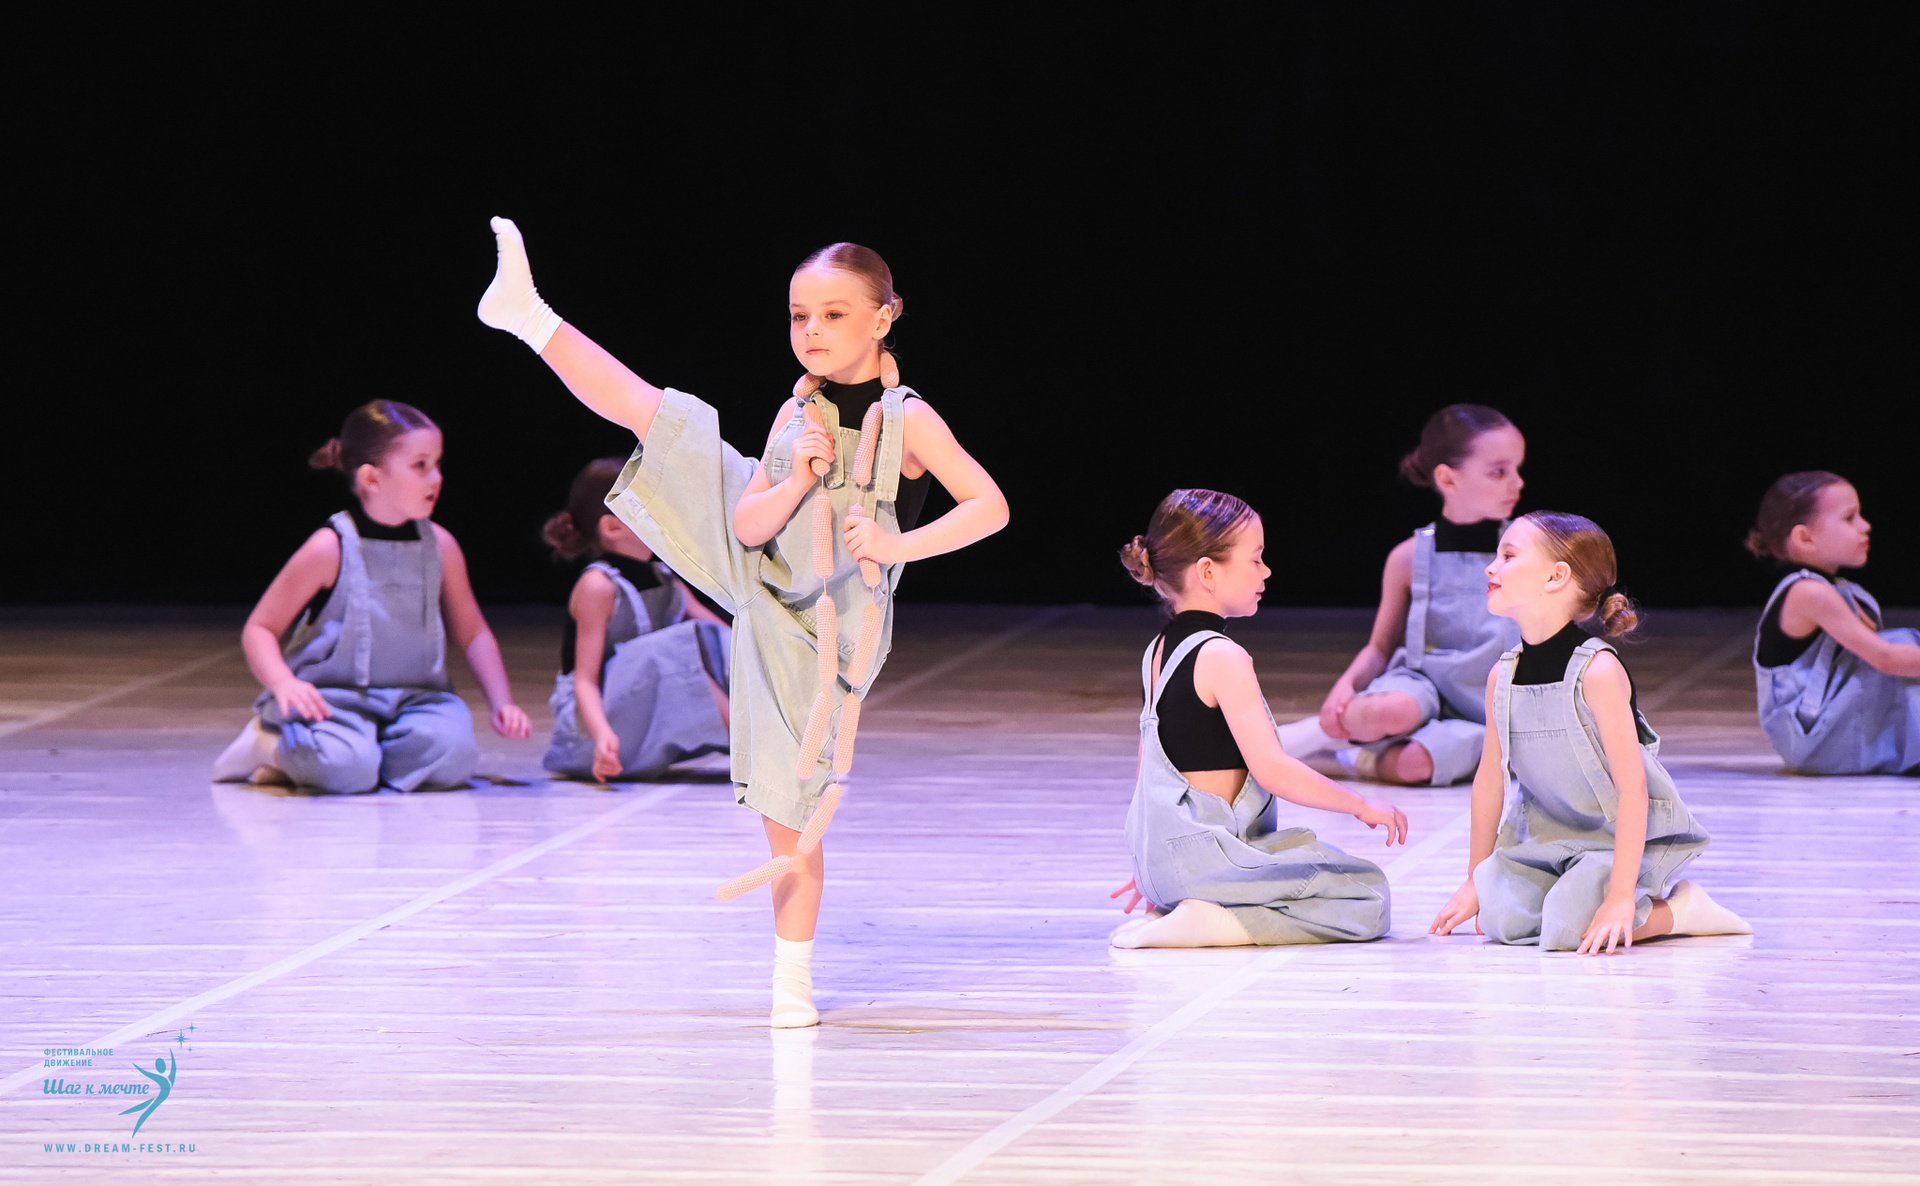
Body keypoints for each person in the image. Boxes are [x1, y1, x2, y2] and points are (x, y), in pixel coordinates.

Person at [475, 219, 1008, 1026]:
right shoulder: (796, 412)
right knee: (663, 420)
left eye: (833, 314)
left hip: (821, 624)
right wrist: (792, 483)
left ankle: (791, 980)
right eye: (799, 316)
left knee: (789, 811)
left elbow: (989, 507)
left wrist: (898, 542)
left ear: (883, 318)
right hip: (760, 572)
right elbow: (750, 523)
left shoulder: (911, 421)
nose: (812, 330)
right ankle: (529, 314)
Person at [1430, 512, 1748, 953]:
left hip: (1620, 840)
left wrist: (1620, 898)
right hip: (1549, 836)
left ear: (1556, 576)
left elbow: (1633, 790)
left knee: (1569, 927)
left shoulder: (1598, 671)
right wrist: (1475, 879)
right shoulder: (1501, 676)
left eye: (1508, 556)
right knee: (1500, 918)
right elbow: (1489, 782)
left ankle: (1680, 910)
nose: (1491, 567)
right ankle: (1574, 894)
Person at [1110, 489, 1406, 949]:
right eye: (1255, 559)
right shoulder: (1222, 655)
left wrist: (1154, 866)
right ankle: (1212, 921)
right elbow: (1273, 770)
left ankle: (1184, 905)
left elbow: (1148, 768)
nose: (1266, 571)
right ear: (1208, 571)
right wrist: (1360, 805)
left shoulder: (1156, 652)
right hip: (1212, 858)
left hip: (1164, 862)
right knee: (1367, 895)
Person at [213, 400, 530, 793]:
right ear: (371, 478)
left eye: (437, 464)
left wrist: (502, 701)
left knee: (454, 756)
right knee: (344, 768)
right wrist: (284, 683)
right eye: (420, 465)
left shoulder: (441, 546)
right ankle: (269, 747)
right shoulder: (330, 547)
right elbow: (260, 628)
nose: (436, 478)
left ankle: (353, 757)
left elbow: (473, 633)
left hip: (417, 700)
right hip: (334, 701)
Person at [1279, 405, 1524, 785]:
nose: (1517, 483)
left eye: (1517, 469)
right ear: (1447, 478)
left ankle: (1354, 756)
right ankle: (1319, 733)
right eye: (1499, 472)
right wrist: (1345, 687)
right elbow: (1380, 647)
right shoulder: (1408, 557)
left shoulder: (1527, 550)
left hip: (1487, 705)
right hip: (1421, 689)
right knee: (1386, 710)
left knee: (1412, 766)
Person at [541, 457, 732, 781]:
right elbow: (584, 681)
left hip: (639, 719)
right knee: (671, 650)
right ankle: (753, 748)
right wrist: (602, 736)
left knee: (720, 639)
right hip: (592, 732)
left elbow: (722, 637)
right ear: (613, 527)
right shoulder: (599, 586)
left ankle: (775, 735)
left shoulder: (663, 576)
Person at [1746, 472, 1919, 775]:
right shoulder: (1808, 593)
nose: (1865, 526)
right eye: (1850, 518)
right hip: (1811, 736)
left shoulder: (1835, 590)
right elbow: (1885, 658)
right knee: (1902, 646)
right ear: (1805, 538)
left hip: (1822, 732)